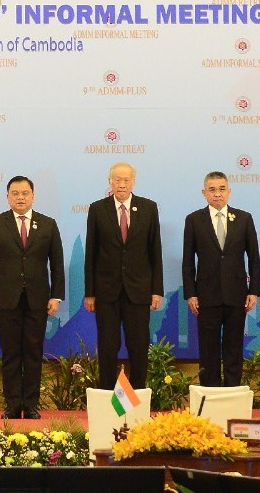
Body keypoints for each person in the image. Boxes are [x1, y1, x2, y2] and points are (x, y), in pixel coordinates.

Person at [0, 175, 64, 419]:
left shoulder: (48, 224)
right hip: (6, 299)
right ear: (7, 197)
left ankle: (32, 405)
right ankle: (13, 406)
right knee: (11, 353)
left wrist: (56, 296)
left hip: (38, 299)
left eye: (25, 193)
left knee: (34, 352)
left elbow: (57, 264)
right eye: (15, 193)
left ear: (33, 196)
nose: (20, 197)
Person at [84, 162, 163, 388]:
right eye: (117, 180)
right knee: (108, 346)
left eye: (126, 180)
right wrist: (90, 293)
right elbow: (91, 253)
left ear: (133, 182)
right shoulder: (98, 209)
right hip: (106, 292)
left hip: (138, 291)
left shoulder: (148, 208)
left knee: (138, 346)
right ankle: (107, 396)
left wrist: (156, 289)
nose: (121, 184)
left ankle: (137, 397)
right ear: (110, 182)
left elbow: (154, 250)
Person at [182, 172, 260, 387]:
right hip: (206, 295)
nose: (217, 194)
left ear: (229, 191)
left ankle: (233, 391)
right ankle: (210, 392)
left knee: (234, 347)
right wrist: (191, 293)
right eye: (212, 190)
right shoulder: (194, 220)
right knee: (208, 348)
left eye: (222, 189)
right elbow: (188, 261)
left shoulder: (244, 218)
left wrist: (253, 290)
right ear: (204, 193)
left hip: (237, 294)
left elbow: (253, 257)